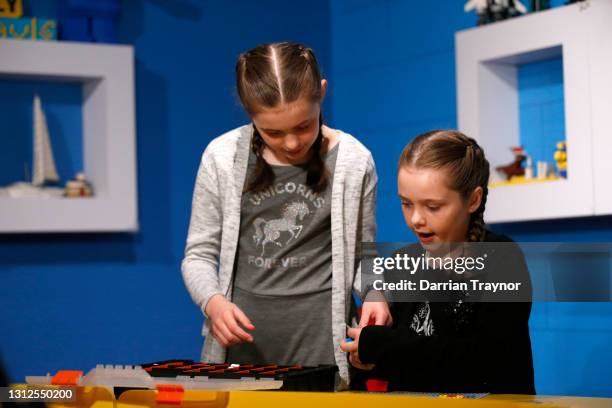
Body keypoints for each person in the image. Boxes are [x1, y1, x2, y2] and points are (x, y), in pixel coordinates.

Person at [181, 42, 390, 388]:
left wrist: (375, 295)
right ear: (249, 113)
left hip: (324, 355)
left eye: (303, 126)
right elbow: (198, 255)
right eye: (273, 132)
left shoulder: (353, 161)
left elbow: (364, 255)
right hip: (242, 360)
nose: (291, 143)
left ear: (322, 93)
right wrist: (213, 303)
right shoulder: (221, 157)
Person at [341, 130, 535, 394]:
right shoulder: (403, 262)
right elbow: (406, 361)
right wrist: (364, 357)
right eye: (406, 204)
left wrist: (380, 345)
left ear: (473, 200)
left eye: (433, 207)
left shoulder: (502, 259)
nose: (416, 219)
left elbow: (486, 362)